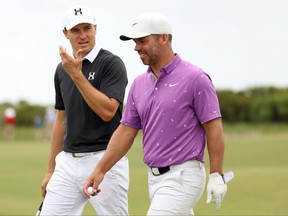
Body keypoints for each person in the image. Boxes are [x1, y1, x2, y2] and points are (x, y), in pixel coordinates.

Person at [83, 12, 228, 215]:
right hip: (154, 179)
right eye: (135, 42)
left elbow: (213, 127)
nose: (136, 47)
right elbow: (125, 132)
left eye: (143, 40)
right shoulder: (139, 84)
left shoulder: (195, 78)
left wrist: (216, 174)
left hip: (183, 176)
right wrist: (100, 170)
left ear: (163, 38)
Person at [40, 5, 129, 215]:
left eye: (87, 28)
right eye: (76, 30)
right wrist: (51, 169)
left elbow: (108, 111)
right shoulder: (62, 69)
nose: (83, 35)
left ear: (95, 28)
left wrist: (77, 76)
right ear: (65, 34)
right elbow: (61, 120)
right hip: (67, 163)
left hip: (105, 161)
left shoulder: (111, 63)